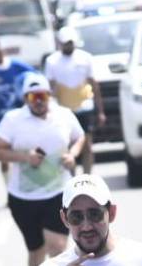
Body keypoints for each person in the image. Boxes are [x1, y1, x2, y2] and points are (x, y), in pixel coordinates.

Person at [0, 73, 84, 266]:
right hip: (23, 198)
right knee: (36, 250)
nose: (39, 101)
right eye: (33, 97)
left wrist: (72, 154)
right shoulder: (13, 119)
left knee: (58, 247)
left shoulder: (64, 115)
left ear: (49, 95)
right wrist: (25, 157)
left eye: (42, 95)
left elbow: (80, 137)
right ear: (25, 99)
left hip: (58, 192)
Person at [44, 28, 104, 175]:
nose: (68, 46)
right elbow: (50, 88)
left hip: (85, 107)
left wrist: (100, 110)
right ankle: (73, 179)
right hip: (64, 109)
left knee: (87, 145)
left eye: (70, 43)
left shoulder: (85, 58)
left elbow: (94, 85)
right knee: (67, 146)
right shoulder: (52, 61)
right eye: (65, 43)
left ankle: (88, 177)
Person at [0, 39, 35, 178]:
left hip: (21, 118)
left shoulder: (17, 66)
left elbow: (35, 79)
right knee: (4, 155)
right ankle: (8, 188)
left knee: (23, 150)